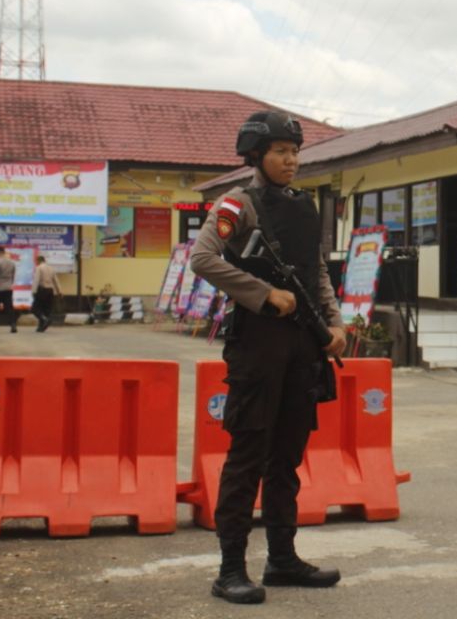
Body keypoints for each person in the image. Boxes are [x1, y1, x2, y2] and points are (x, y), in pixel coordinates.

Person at [190, 111, 347, 605]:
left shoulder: (303, 206)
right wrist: (262, 292)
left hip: (303, 345)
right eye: (281, 151)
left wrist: (335, 321)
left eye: (295, 151)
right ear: (256, 156)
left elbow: (315, 267)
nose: (291, 160)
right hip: (258, 345)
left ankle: (282, 559)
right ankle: (230, 570)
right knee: (247, 455)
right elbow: (202, 257)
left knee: (287, 457)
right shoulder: (238, 203)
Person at [32, 255, 61, 332]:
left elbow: (36, 280)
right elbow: (56, 281)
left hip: (42, 290)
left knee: (35, 309)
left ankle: (45, 319)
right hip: (50, 291)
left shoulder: (39, 268)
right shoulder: (51, 268)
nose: (36, 263)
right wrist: (60, 291)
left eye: (36, 262)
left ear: (38, 261)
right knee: (46, 309)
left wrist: (34, 291)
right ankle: (41, 327)